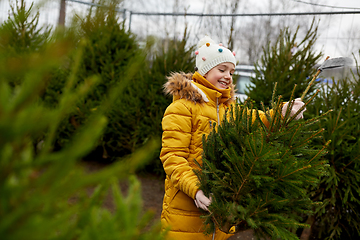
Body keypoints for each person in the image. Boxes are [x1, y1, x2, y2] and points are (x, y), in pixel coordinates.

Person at [159, 36, 305, 240]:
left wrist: (282, 112)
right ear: (205, 70)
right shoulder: (181, 108)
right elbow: (172, 157)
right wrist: (196, 190)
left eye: (231, 72)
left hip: (219, 211)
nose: (228, 76)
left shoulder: (229, 110)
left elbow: (255, 119)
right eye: (222, 69)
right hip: (185, 211)